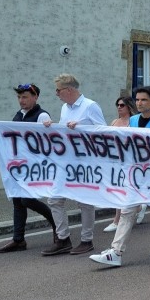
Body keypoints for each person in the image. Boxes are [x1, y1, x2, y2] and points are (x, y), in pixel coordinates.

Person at [89, 86, 150, 267]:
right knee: (127, 210)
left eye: (144, 99)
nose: (139, 103)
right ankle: (116, 252)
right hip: (136, 173)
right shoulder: (134, 120)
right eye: (137, 100)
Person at [42, 73, 106, 256]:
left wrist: (81, 126)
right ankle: (63, 239)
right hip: (65, 161)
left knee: (84, 202)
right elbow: (65, 131)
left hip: (85, 162)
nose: (56, 94)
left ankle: (87, 240)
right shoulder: (65, 107)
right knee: (54, 199)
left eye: (58, 90)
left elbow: (103, 132)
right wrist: (54, 126)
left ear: (69, 90)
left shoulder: (90, 106)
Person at [0, 83, 57, 254]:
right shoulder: (19, 115)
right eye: (19, 97)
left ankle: (57, 224)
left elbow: (48, 142)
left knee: (26, 200)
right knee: (17, 201)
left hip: (35, 167)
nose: (21, 100)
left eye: (25, 97)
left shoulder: (42, 116)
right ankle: (18, 239)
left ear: (35, 97)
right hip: (20, 165)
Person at [104, 95, 147, 232]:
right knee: (117, 188)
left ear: (129, 107)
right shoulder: (114, 122)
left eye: (122, 105)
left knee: (124, 189)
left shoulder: (134, 122)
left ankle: (117, 220)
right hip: (115, 159)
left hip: (130, 160)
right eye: (117, 105)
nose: (119, 107)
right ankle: (138, 208)